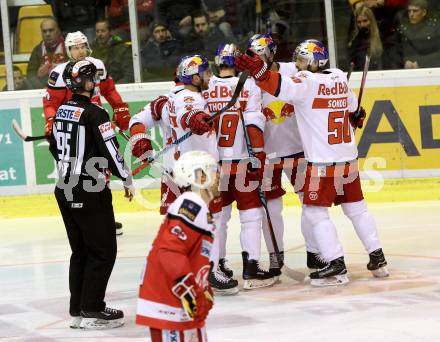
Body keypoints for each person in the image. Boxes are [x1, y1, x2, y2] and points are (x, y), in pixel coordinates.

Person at [235, 39, 389, 286]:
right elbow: (353, 110)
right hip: (347, 159)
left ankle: (334, 263)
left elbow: (279, 86)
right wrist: (356, 115)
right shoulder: (338, 77)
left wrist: (260, 71)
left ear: (314, 61)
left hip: (321, 163)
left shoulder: (307, 83)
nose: (298, 64)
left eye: (302, 59)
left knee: (314, 211)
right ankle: (377, 257)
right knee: (357, 208)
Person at [49, 59, 134, 329]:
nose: (95, 80)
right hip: (89, 189)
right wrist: (126, 176)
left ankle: (78, 309)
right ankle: (93, 308)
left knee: (81, 251)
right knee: (103, 251)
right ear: (86, 81)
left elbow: (54, 146)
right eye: (91, 77)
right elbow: (111, 151)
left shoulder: (62, 109)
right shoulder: (96, 113)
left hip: (64, 186)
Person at [246, 34, 324, 280]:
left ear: (271, 53)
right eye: (252, 57)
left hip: (299, 151)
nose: (255, 61)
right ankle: (274, 256)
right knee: (272, 208)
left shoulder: (294, 70)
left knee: (311, 205)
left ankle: (314, 252)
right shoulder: (249, 82)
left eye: (259, 56)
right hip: (268, 157)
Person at [43, 30, 130, 235]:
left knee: (102, 169)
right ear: (68, 50)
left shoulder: (98, 65)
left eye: (82, 46)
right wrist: (51, 120)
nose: (80, 51)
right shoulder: (59, 72)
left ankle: (105, 217)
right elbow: (50, 103)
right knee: (78, 171)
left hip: (97, 121)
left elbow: (109, 90)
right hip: (77, 126)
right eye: (75, 47)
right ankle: (82, 217)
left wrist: (120, 107)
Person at [203, 43, 274, 292]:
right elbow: (254, 124)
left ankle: (218, 264)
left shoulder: (206, 87)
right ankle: (251, 267)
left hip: (214, 165)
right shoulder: (249, 85)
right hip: (242, 163)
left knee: (219, 219)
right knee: (251, 216)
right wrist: (259, 157)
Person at [136, 150, 217, 341]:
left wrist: (202, 288)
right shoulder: (191, 203)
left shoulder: (198, 206)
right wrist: (191, 292)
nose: (219, 176)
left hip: (179, 304)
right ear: (199, 176)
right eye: (214, 170)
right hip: (170, 304)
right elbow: (169, 252)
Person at [129, 71, 184, 215]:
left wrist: (139, 137)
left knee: (174, 227)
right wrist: (140, 138)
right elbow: (137, 121)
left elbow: (136, 121)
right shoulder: (164, 101)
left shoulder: (163, 101)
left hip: (181, 172)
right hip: (186, 173)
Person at [27, 17, 68, 89]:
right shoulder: (37, 50)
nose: (47, 34)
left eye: (51, 30)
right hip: (43, 89)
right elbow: (30, 74)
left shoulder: (68, 47)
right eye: (44, 31)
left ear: (58, 30)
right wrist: (41, 87)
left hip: (65, 88)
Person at [398, 0, 440, 68]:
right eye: (409, 11)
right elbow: (398, 52)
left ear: (423, 12)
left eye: (415, 11)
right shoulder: (403, 29)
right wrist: (404, 62)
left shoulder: (436, 29)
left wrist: (420, 63)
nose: (411, 14)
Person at [90, 20, 134, 84]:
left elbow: (129, 75)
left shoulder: (122, 49)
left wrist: (112, 87)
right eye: (97, 31)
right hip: (96, 87)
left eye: (103, 31)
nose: (100, 34)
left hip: (117, 87)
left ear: (110, 32)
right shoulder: (91, 50)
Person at [349, 5, 384, 70]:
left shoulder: (382, 37)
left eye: (365, 21)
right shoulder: (354, 41)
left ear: (371, 21)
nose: (362, 25)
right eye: (359, 22)